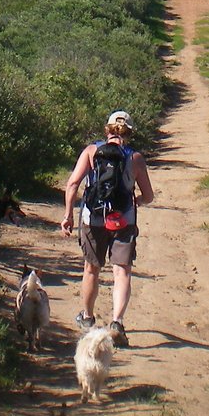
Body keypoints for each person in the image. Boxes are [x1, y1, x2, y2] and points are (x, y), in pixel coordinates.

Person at [61, 109, 155, 348]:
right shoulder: (134, 158)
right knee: (121, 272)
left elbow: (73, 183)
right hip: (123, 220)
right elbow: (149, 195)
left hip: (93, 218)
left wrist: (67, 215)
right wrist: (136, 202)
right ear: (130, 133)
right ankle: (116, 323)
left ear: (107, 129)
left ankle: (88, 318)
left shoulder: (92, 151)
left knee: (91, 269)